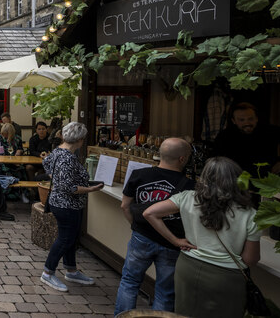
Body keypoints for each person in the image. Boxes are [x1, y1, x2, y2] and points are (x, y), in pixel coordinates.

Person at [143, 157, 261, 318]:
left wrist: (175, 240)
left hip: (188, 267)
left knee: (184, 313)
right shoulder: (251, 215)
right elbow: (250, 259)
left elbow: (150, 213)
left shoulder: (187, 197)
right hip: (226, 276)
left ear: (204, 178)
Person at [114, 138, 195, 314]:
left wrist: (136, 227)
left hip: (141, 238)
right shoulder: (190, 186)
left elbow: (124, 206)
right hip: (172, 244)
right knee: (165, 292)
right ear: (182, 159)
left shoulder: (140, 175)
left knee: (129, 282)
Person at [40, 122, 103, 292]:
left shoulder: (58, 150)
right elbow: (70, 188)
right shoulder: (68, 157)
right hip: (67, 204)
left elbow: (46, 163)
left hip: (61, 203)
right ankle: (48, 272)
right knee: (65, 239)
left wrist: (56, 177)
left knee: (69, 238)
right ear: (80, 140)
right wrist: (91, 189)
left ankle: (71, 269)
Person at [212, 102, 280, 175]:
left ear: (256, 118)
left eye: (250, 119)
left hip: (267, 181)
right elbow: (215, 159)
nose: (247, 123)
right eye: (242, 120)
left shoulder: (268, 130)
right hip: (237, 182)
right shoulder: (225, 136)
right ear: (234, 121)